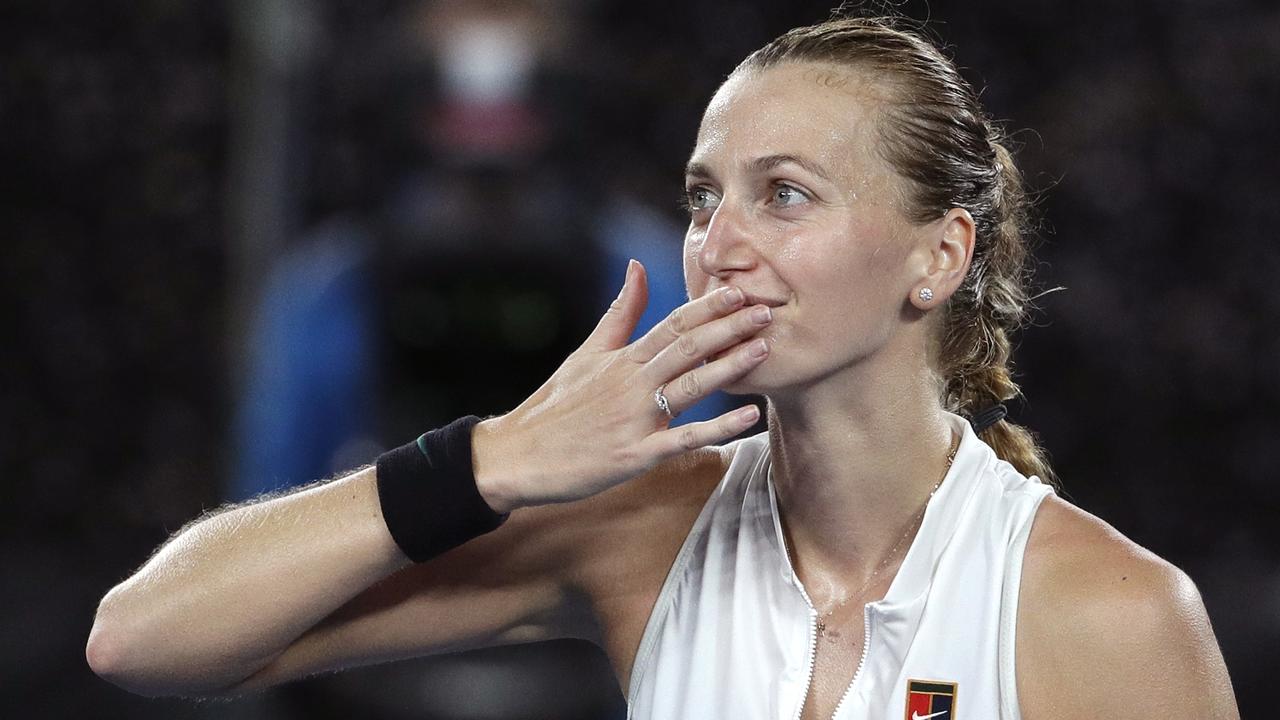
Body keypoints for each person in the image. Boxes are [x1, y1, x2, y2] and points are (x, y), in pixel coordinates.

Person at [87, 14, 1239, 719]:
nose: (717, 245)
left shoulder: (1103, 614)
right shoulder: (641, 537)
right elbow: (143, 640)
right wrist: (484, 459)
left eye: (781, 195)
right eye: (704, 196)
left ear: (935, 257)